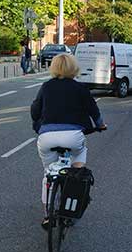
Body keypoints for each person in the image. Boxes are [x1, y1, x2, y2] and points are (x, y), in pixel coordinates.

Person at [31, 53, 106, 229]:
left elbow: (35, 109)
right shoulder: (80, 88)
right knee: (80, 152)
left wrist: (38, 122)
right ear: (74, 68)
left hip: (46, 137)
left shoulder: (46, 86)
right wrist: (100, 125)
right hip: (73, 137)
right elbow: (93, 110)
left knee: (48, 173)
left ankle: (47, 214)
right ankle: (75, 178)